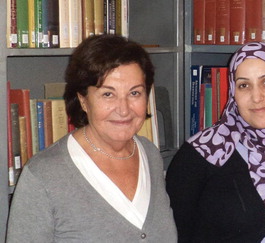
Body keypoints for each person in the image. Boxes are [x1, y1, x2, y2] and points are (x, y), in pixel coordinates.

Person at [7, 35, 177, 242]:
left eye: (134, 93)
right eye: (108, 94)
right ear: (83, 101)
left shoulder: (150, 155)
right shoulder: (43, 176)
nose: (123, 110)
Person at [166, 42, 265, 242]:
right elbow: (174, 234)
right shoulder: (201, 154)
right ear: (233, 93)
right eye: (244, 85)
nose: (256, 97)